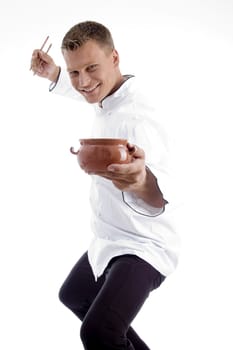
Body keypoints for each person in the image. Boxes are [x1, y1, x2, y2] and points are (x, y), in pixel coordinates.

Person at [30, 20, 180, 350]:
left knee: (99, 332)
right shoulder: (110, 91)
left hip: (144, 244)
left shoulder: (140, 114)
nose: (83, 82)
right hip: (110, 235)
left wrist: (141, 180)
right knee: (75, 295)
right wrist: (55, 74)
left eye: (91, 68)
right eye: (74, 72)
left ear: (115, 58)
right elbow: (91, 90)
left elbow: (161, 195)